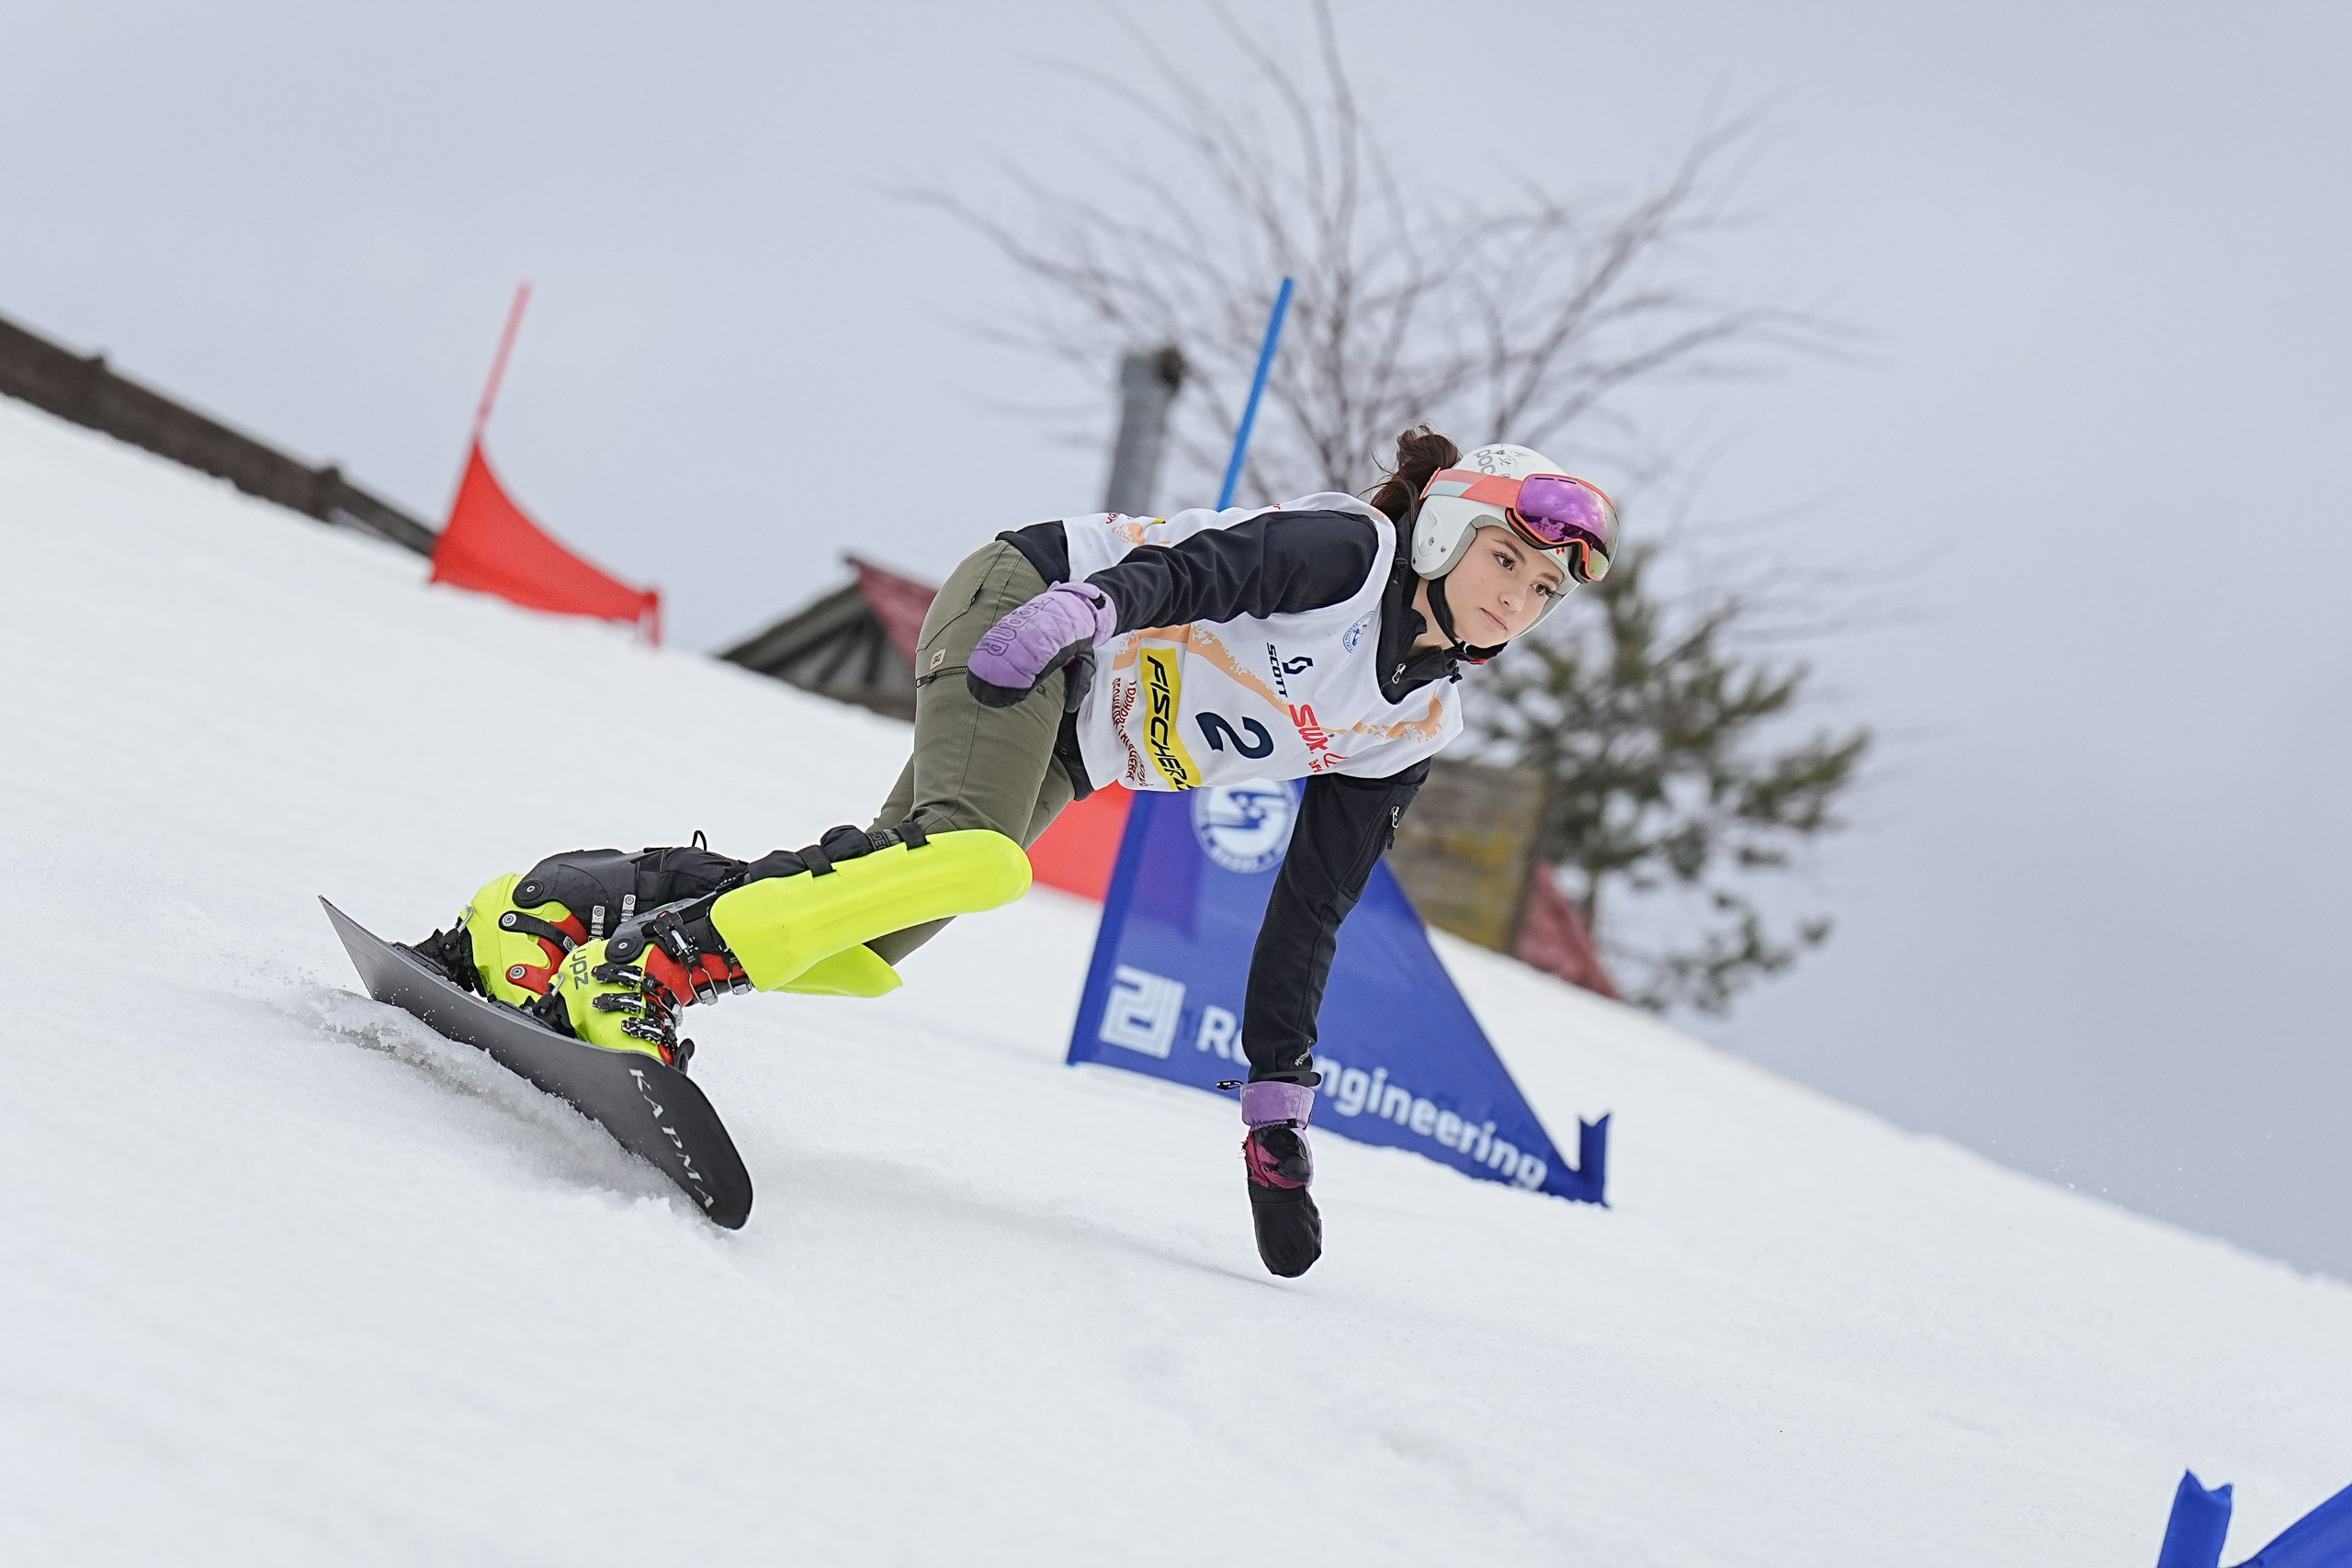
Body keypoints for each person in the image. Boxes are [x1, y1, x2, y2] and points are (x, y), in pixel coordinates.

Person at [404, 428, 1618, 1277]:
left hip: (1078, 742)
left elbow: (1311, 910)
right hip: (1034, 605)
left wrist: (1275, 1104)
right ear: (1450, 535)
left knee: (865, 933)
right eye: (1506, 560)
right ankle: (646, 972)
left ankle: (546, 916)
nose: (1517, 598)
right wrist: (1089, 607)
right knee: (979, 859)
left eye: (1545, 589)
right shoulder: (1351, 552)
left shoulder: (1413, 721)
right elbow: (1209, 570)